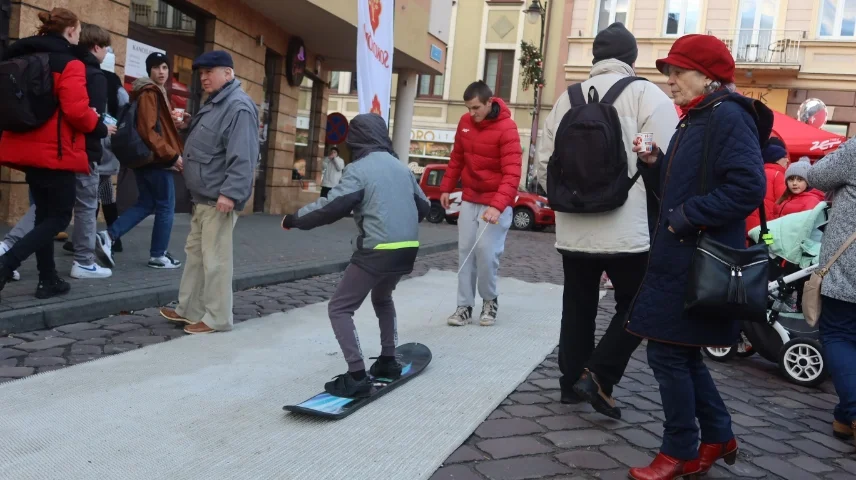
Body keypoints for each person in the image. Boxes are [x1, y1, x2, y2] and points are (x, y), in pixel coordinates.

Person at [626, 35, 769, 479]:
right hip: (680, 257)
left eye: (678, 72)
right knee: (681, 355)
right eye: (668, 72)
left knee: (667, 357)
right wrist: (655, 163)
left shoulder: (727, 116)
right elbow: (683, 185)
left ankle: (681, 450)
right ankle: (718, 435)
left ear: (707, 76)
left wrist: (687, 216)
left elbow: (748, 186)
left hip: (694, 258)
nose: (670, 81)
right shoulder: (700, 117)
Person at [535, 22, 679, 417]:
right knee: (637, 302)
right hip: (626, 227)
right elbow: (667, 166)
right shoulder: (648, 95)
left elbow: (541, 166)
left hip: (574, 226)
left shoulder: (567, 98)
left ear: (596, 58)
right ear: (631, 59)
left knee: (577, 303)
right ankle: (599, 373)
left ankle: (569, 383)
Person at [281, 113, 431, 397]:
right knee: (383, 298)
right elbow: (423, 206)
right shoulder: (402, 169)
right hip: (407, 250)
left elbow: (332, 206)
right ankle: (387, 360)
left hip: (377, 251)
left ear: (356, 140)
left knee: (340, 308)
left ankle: (357, 375)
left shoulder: (359, 169)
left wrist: (294, 219)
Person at [0, 8, 108, 300]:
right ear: (71, 31)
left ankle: (48, 280)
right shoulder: (69, 63)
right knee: (59, 218)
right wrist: (98, 126)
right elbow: (76, 111)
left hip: (24, 148)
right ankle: (6, 264)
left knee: (43, 217)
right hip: (56, 152)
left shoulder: (20, 57)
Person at [158, 50, 258, 334]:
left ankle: (217, 318)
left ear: (228, 73)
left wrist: (230, 193)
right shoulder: (217, 103)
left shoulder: (237, 106)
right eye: (201, 73)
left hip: (218, 198)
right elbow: (215, 143)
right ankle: (189, 309)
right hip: (205, 197)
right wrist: (191, 123)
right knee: (197, 256)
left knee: (215, 260)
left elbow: (243, 155)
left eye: (209, 72)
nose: (203, 78)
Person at [441, 80, 522, 327]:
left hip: (496, 203)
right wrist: (446, 186)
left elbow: (512, 173)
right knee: (465, 252)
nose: (471, 113)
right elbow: (457, 157)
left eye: (476, 107)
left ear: (489, 102)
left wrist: (497, 206)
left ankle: (489, 300)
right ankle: (464, 306)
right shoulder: (465, 124)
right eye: (468, 108)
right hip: (470, 198)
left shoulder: (507, 128)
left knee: (486, 253)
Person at [95, 51, 184, 270]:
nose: (161, 72)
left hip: (146, 158)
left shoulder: (150, 92)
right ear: (149, 70)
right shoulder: (150, 92)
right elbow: (147, 130)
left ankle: (109, 236)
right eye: (156, 67)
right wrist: (171, 155)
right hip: (155, 158)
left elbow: (153, 126)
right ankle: (158, 254)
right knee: (166, 206)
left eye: (164, 67)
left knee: (146, 203)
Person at [807, 138, 856, 448]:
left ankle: (852, 411)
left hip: (849, 264)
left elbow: (817, 176)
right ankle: (843, 417)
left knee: (838, 334)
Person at [61, 23, 114, 279]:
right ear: (96, 47)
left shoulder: (66, 65)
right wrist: (103, 129)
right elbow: (90, 116)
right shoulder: (94, 75)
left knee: (47, 208)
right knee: (85, 206)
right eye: (106, 47)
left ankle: (8, 248)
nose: (107, 52)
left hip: (60, 149)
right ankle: (83, 261)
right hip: (83, 151)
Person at [745, 143, 790, 234]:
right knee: (767, 246)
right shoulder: (778, 175)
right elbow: (782, 202)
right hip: (768, 223)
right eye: (784, 157)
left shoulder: (758, 172)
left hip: (750, 220)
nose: (787, 160)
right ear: (776, 159)